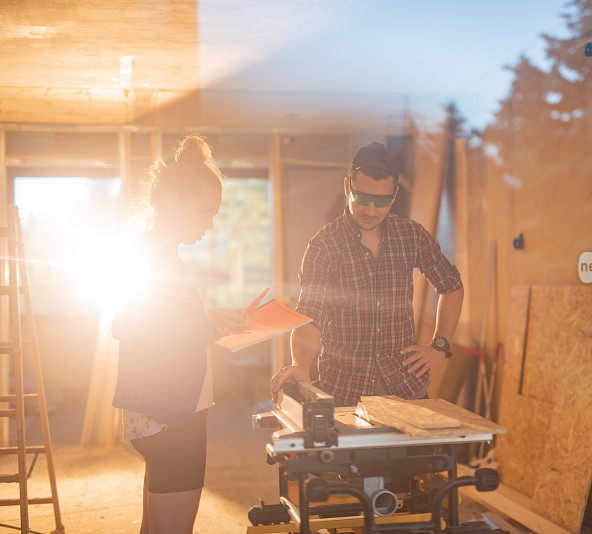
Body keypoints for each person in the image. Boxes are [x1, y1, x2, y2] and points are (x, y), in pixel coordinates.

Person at [112, 135, 250, 534]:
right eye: (203, 211)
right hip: (170, 413)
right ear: (173, 200)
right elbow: (133, 326)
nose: (209, 223)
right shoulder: (154, 254)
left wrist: (208, 322)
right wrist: (208, 325)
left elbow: (153, 322)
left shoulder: (158, 252)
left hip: (168, 410)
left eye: (214, 214)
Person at [271, 142, 464, 406]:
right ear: (348, 187)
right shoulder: (324, 246)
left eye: (382, 201)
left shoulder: (411, 236)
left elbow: (451, 285)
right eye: (362, 198)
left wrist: (440, 345)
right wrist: (300, 363)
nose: (371, 210)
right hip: (344, 391)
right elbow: (309, 318)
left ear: (394, 195)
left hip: (406, 388)